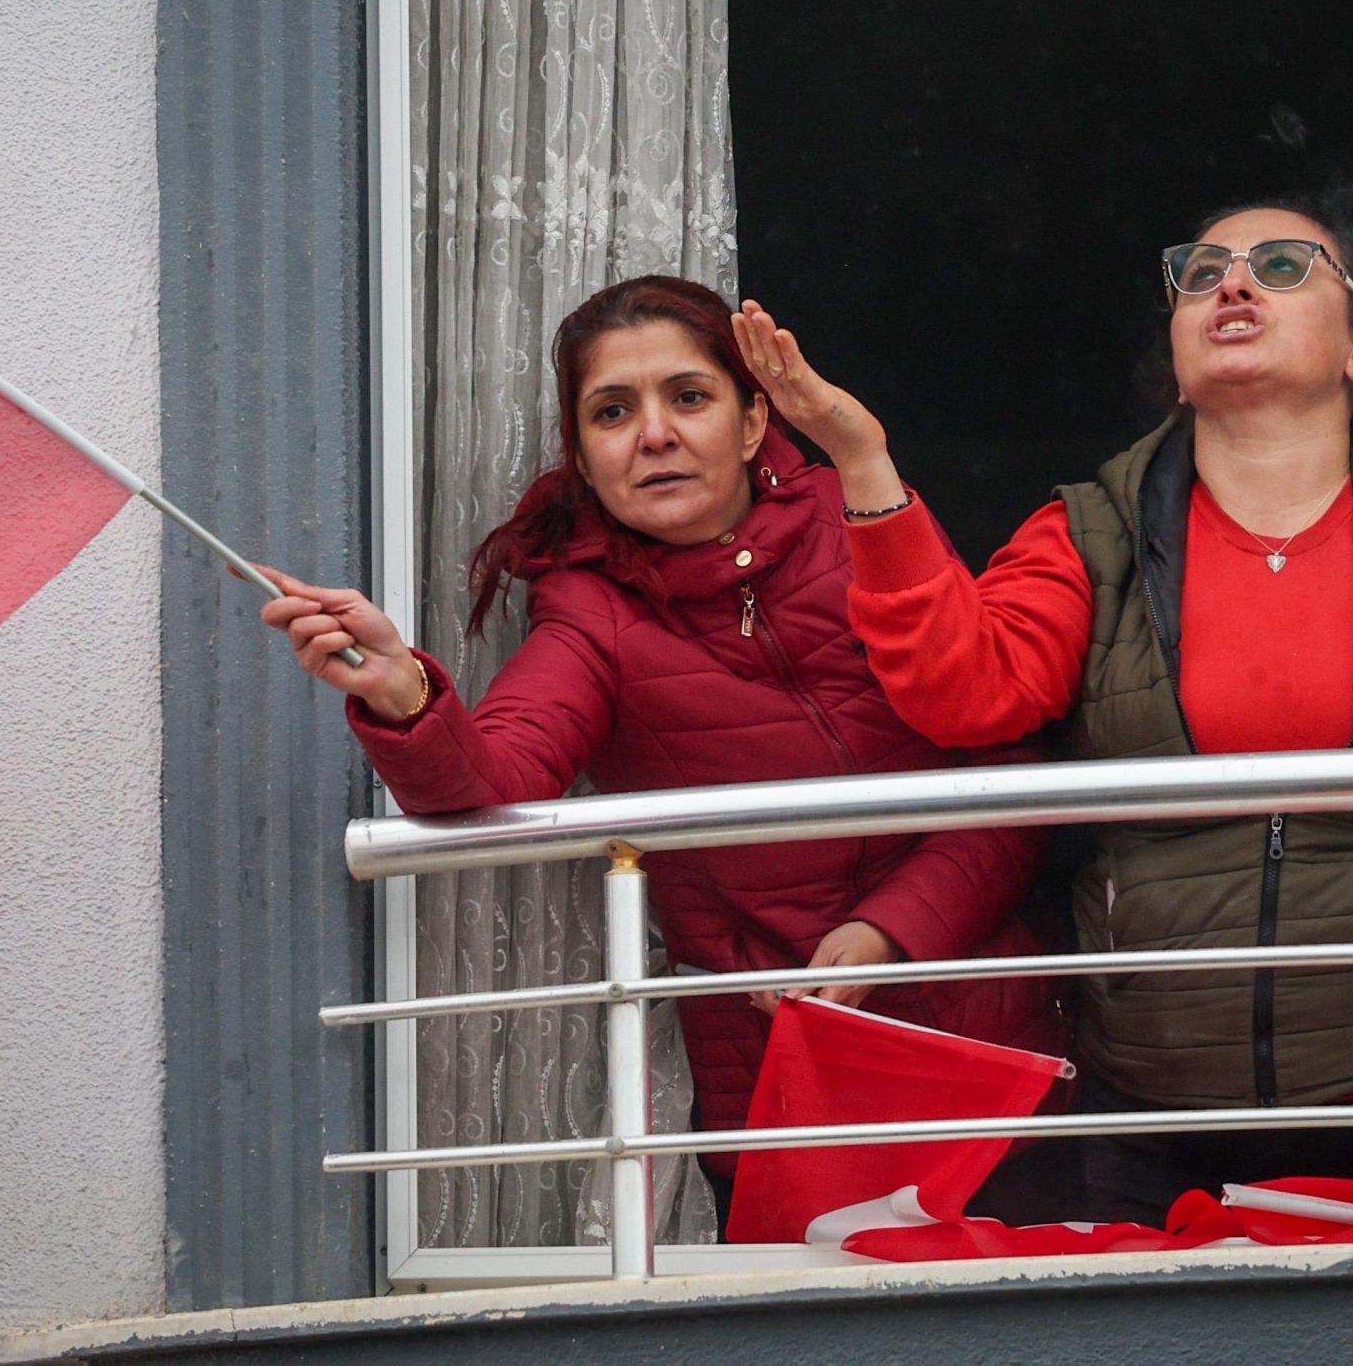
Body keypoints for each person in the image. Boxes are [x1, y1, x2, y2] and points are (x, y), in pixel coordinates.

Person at [734, 204, 1353, 1224]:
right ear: (1180, 359)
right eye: (1200, 273)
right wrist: (863, 459)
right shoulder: (1087, 530)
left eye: (1281, 265)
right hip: (1159, 1114)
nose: (1231, 284)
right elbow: (962, 692)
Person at [258, 275, 1064, 1216]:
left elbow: (1008, 770)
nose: (654, 435)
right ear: (584, 454)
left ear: (754, 422)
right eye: (613, 411)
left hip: (994, 1057)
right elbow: (492, 783)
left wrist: (891, 929)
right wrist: (405, 692)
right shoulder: (590, 610)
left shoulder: (863, 526)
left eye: (689, 397)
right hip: (788, 1095)